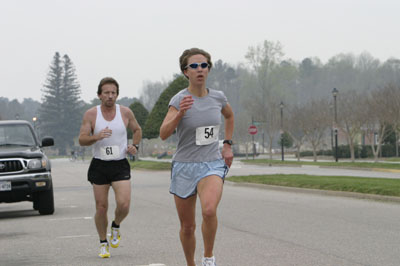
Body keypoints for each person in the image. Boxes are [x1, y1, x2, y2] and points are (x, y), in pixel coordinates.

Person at [160, 48, 234, 266]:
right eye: (194, 66)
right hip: (184, 166)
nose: (199, 69)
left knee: (209, 210)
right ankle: (190, 263)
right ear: (186, 72)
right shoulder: (179, 99)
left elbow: (229, 116)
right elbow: (163, 133)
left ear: (208, 69)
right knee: (188, 226)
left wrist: (227, 145)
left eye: (203, 65)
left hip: (211, 163)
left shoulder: (218, 97)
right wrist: (180, 114)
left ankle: (208, 257)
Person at [78, 77, 142, 258]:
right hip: (99, 165)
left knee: (124, 205)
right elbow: (82, 139)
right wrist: (96, 137)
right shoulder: (91, 114)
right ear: (99, 95)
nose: (110, 96)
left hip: (120, 163)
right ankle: (102, 242)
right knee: (101, 207)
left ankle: (116, 225)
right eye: (106, 93)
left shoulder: (125, 112)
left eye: (113, 93)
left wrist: (134, 146)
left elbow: (137, 130)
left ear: (117, 95)